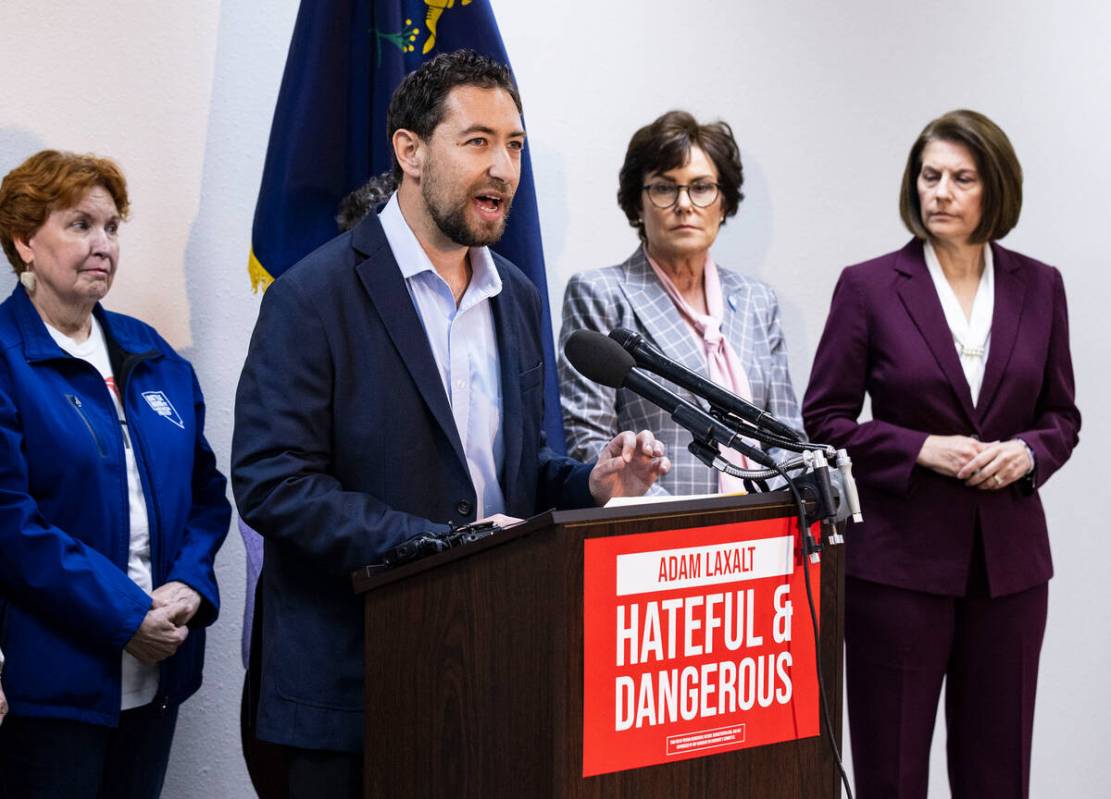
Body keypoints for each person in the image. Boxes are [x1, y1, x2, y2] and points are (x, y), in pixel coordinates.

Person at [232, 50, 670, 799]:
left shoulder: (518, 297)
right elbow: (274, 483)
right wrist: (439, 545)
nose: (501, 167)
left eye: (515, 145)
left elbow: (514, 470)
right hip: (349, 691)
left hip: (483, 679)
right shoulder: (314, 296)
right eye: (476, 141)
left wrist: (593, 483)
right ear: (409, 151)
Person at [802, 109, 1080, 798]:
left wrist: (1027, 452)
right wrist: (919, 447)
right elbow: (824, 419)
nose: (940, 193)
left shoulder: (1038, 284)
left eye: (960, 178)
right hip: (896, 570)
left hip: (1009, 572)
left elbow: (1060, 416)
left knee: (998, 774)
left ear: (995, 191)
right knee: (890, 773)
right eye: (929, 176)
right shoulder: (867, 286)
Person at [0, 150, 231, 798]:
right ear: (23, 240)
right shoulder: (6, 358)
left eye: (111, 226)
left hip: (159, 673)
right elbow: (12, 523)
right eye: (79, 224)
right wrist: (126, 612)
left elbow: (206, 497)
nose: (102, 243)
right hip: (52, 685)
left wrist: (189, 582)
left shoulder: (151, 354)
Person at [559, 110, 803, 495]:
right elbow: (588, 440)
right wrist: (675, 519)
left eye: (701, 187)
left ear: (723, 203)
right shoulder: (601, 293)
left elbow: (788, 436)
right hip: (662, 535)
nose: (684, 204)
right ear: (638, 205)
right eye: (664, 188)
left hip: (763, 533)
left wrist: (770, 506)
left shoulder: (757, 300)